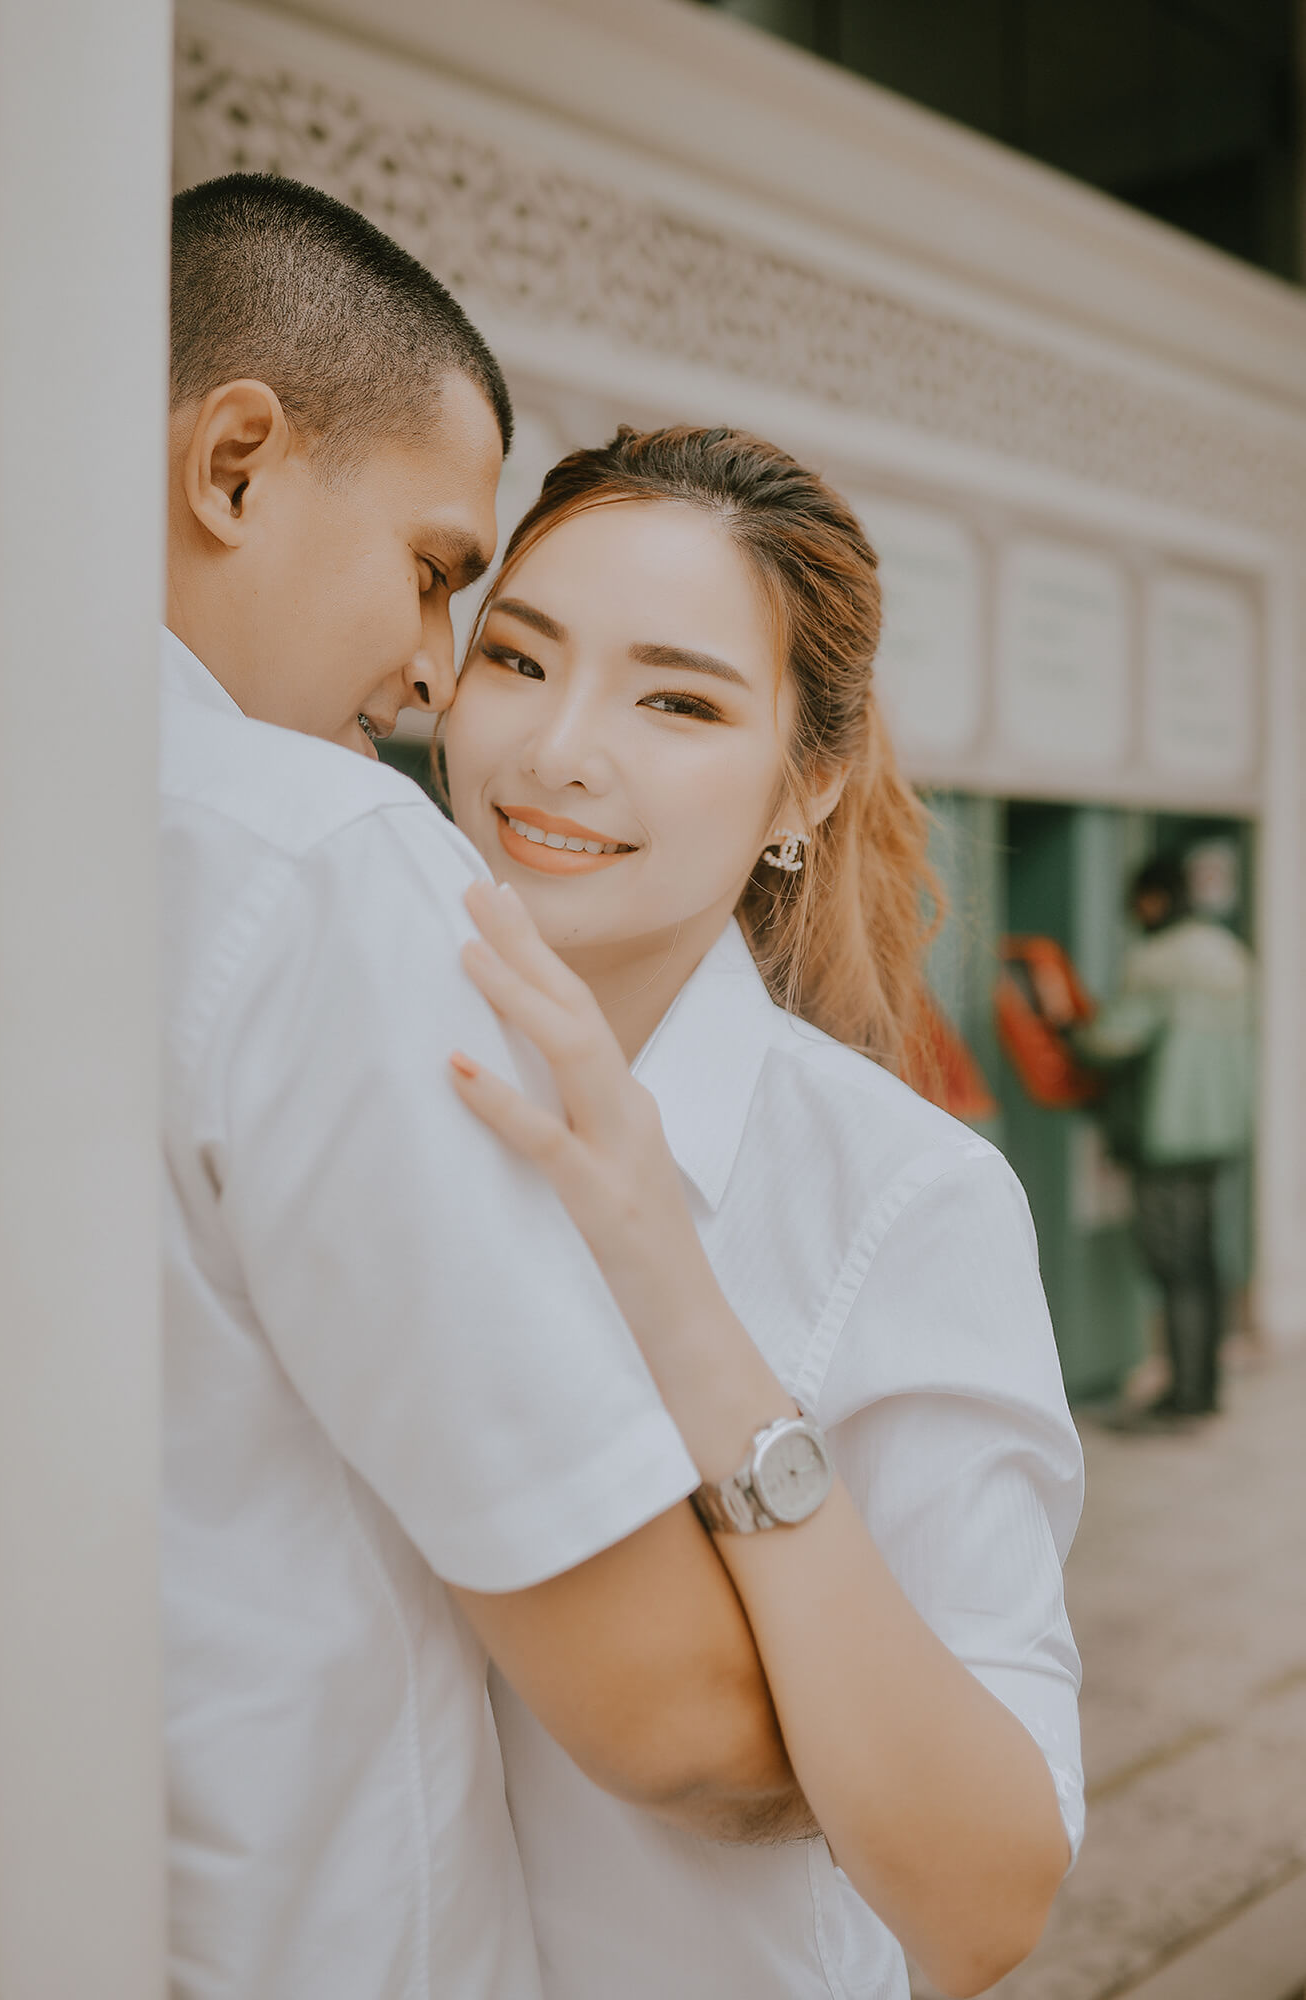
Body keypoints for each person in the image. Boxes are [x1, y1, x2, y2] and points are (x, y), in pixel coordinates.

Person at [161, 176, 811, 2000]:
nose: (436, 679)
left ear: (800, 787)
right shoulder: (311, 852)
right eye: (449, 582)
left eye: (679, 703)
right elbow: (678, 1716)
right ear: (234, 465)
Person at [438, 426, 1086, 1999]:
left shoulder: (903, 1197)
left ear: (803, 781)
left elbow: (986, 1899)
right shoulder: (332, 1063)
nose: (558, 751)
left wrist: (680, 1305)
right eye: (516, 661)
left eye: (678, 700)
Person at [1074, 854, 1255, 1423]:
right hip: (1219, 1132)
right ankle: (1206, 1389)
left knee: (1172, 1265)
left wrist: (1068, 1033)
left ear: (1151, 900)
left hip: (1166, 1134)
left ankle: (1182, 1398)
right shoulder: (1228, 951)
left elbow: (1112, 1039)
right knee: (1204, 1260)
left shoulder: (1156, 960)